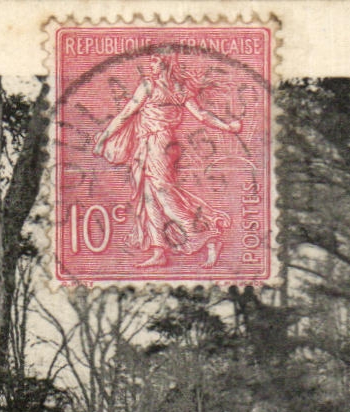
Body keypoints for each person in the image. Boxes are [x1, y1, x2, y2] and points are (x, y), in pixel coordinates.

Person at [91, 48, 242, 268]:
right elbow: (200, 115)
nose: (150, 65)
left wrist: (228, 127)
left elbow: (127, 114)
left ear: (166, 64)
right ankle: (159, 250)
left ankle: (207, 236)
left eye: (155, 62)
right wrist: (103, 139)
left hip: (159, 145)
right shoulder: (165, 87)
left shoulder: (156, 87)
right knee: (149, 195)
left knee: (163, 194)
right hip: (147, 145)